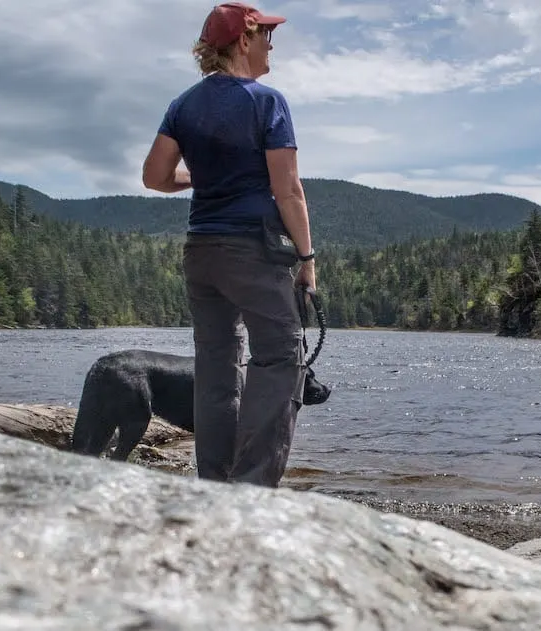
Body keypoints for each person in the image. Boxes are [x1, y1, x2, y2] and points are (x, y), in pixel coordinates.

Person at [141, 2, 316, 488]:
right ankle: (253, 487)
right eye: (266, 35)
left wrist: (198, 177)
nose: (271, 45)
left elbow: (154, 177)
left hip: (201, 253)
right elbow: (289, 190)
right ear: (244, 40)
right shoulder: (267, 102)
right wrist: (307, 257)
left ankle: (215, 483)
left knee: (217, 365)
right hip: (252, 251)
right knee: (281, 355)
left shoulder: (183, 105)